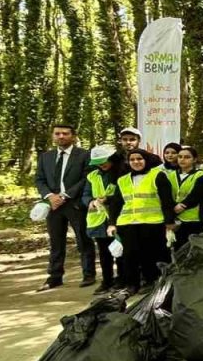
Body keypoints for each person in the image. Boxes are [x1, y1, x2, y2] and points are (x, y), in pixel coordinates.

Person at [106, 149, 175, 294]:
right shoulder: (122, 180)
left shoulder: (158, 175)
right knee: (129, 255)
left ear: (146, 160)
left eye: (139, 159)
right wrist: (112, 223)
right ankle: (132, 284)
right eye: (132, 160)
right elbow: (116, 204)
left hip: (152, 222)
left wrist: (169, 222)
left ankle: (150, 282)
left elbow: (167, 201)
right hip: (127, 223)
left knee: (149, 255)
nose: (136, 162)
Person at [34, 123, 94, 291]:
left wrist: (65, 195)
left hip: (74, 203)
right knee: (56, 241)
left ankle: (88, 275)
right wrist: (50, 196)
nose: (61, 137)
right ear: (53, 136)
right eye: (57, 134)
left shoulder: (84, 155)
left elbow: (87, 178)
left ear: (73, 136)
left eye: (65, 133)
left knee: (83, 239)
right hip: (53, 205)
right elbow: (39, 179)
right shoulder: (46, 157)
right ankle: (54, 276)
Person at [81, 145, 119, 294]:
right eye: (98, 162)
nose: (102, 164)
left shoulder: (120, 173)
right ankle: (107, 281)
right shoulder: (93, 176)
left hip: (117, 217)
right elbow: (85, 194)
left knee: (121, 252)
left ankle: (122, 280)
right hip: (99, 220)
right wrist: (90, 201)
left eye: (104, 161)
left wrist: (109, 199)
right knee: (104, 253)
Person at [171, 146, 203, 249]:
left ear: (194, 159)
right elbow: (166, 195)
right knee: (177, 250)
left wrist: (182, 206)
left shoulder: (200, 175)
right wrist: (172, 209)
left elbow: (196, 195)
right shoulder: (170, 175)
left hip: (193, 220)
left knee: (191, 250)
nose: (182, 159)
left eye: (187, 157)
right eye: (180, 157)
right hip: (175, 219)